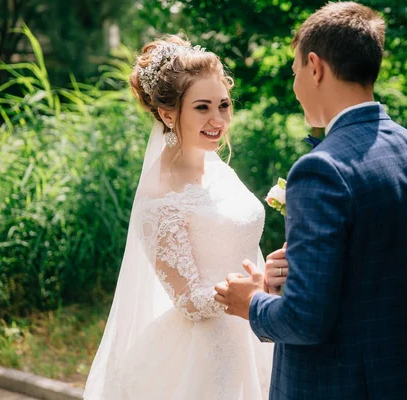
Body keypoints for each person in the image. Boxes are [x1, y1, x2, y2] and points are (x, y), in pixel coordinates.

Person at [215, 3, 407, 399]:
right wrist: (309, 267)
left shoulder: (321, 169)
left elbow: (304, 321)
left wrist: (251, 302)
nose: (295, 85)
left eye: (294, 73)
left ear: (315, 66)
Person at [83, 35, 272, 400]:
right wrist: (247, 294)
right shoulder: (159, 199)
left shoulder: (219, 169)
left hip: (257, 329)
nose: (218, 120)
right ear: (169, 114)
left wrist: (269, 280)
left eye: (223, 105)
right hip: (204, 354)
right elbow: (188, 302)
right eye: (202, 107)